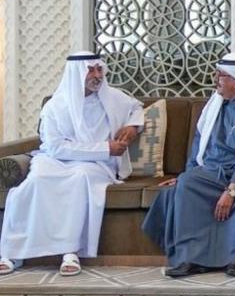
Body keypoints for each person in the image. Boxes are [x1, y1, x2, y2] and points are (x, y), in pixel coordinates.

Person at [143, 53, 235, 278]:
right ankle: (194, 258)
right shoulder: (214, 106)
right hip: (214, 170)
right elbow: (199, 148)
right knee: (188, 182)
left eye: (220, 75)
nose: (215, 79)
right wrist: (185, 175)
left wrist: (232, 189)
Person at [0, 52, 142, 276]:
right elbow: (55, 147)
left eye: (99, 70)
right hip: (56, 160)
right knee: (35, 181)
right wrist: (106, 148)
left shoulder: (112, 97)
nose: (97, 76)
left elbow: (136, 107)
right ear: (77, 74)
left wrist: (133, 127)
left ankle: (70, 251)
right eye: (91, 71)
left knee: (80, 178)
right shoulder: (55, 106)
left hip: (95, 164)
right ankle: (13, 252)